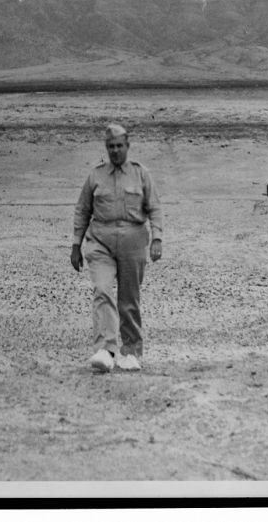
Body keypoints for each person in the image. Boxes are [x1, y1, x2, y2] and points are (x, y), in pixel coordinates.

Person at [71, 123, 163, 373]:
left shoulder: (141, 174)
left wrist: (157, 238)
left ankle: (132, 351)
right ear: (106, 148)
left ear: (127, 146)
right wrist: (76, 244)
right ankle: (105, 349)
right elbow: (82, 210)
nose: (115, 151)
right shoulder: (95, 175)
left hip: (134, 241)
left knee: (128, 299)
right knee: (102, 290)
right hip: (100, 241)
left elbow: (154, 207)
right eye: (110, 147)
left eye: (119, 146)